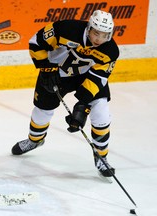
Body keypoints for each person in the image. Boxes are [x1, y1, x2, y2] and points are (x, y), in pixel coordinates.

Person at [11, 10, 119, 178]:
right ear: (89, 27)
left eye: (104, 35)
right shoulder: (65, 29)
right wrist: (47, 69)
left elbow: (98, 77)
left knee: (102, 115)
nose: (99, 39)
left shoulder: (110, 51)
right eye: (96, 33)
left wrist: (82, 105)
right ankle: (35, 140)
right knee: (42, 110)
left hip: (86, 77)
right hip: (55, 73)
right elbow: (36, 42)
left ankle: (101, 157)